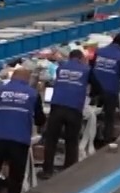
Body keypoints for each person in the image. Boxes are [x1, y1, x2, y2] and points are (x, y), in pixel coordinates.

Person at [0, 66, 45, 193]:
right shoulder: (33, 94)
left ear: (12, 77)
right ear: (27, 79)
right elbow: (40, 120)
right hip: (19, 140)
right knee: (15, 177)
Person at [39, 50, 91, 179]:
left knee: (51, 139)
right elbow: (93, 85)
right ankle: (69, 171)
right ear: (81, 58)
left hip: (57, 106)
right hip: (74, 108)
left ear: (70, 57)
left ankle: (47, 171)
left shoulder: (60, 68)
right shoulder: (86, 70)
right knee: (71, 140)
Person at [90, 38, 120, 152]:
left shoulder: (98, 51)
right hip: (111, 90)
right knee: (109, 117)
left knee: (93, 114)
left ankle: (93, 140)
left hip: (96, 89)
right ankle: (107, 141)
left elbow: (91, 68)